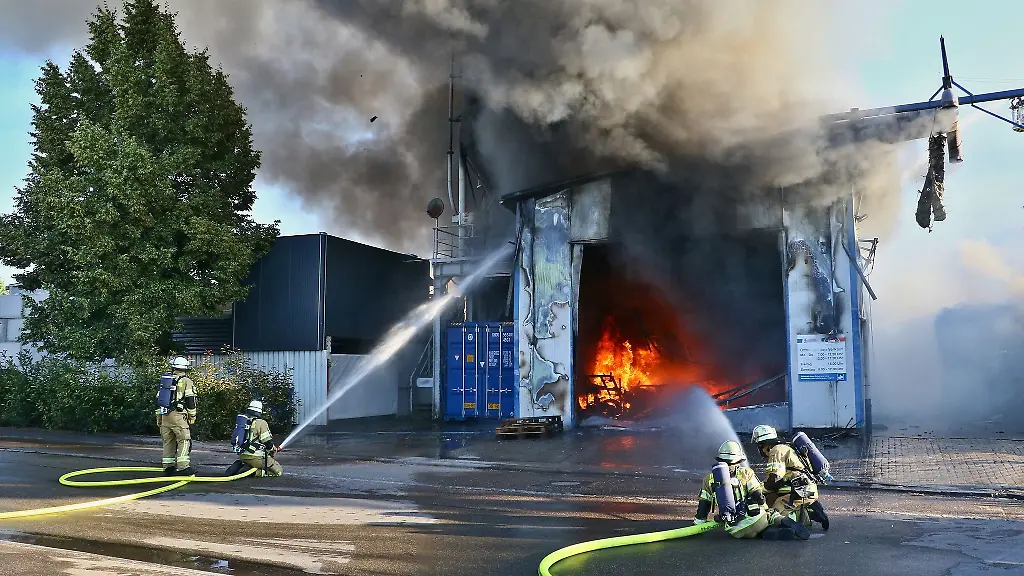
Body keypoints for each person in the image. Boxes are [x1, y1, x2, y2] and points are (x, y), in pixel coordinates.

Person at [694, 440, 810, 540]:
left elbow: (703, 507)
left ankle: (765, 533)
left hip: (735, 530)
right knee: (769, 516)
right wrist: (766, 510)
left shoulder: (708, 480)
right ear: (738, 460)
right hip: (758, 519)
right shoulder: (746, 473)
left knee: (749, 531)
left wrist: (697, 526)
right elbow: (758, 496)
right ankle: (783, 522)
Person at [751, 424, 830, 532]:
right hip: (807, 490)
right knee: (768, 502)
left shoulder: (776, 451)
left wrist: (759, 490)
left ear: (763, 444)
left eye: (759, 446)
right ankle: (809, 509)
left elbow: (774, 479)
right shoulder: (788, 447)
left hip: (797, 493)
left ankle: (806, 517)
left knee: (771, 517)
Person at [155, 356, 197, 476]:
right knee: (184, 440)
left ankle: (168, 467)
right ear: (185, 369)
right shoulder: (186, 381)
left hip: (165, 416)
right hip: (178, 416)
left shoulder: (166, 381)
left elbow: (159, 400)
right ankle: (183, 467)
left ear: (173, 367)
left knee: (168, 441)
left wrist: (159, 418)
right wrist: (192, 416)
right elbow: (190, 400)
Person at [227, 400, 283, 477]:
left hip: (243, 456)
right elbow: (267, 443)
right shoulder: (261, 423)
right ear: (260, 411)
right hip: (255, 458)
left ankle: (243, 467)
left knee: (252, 462)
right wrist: (273, 449)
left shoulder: (244, 421)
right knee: (278, 471)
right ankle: (254, 472)